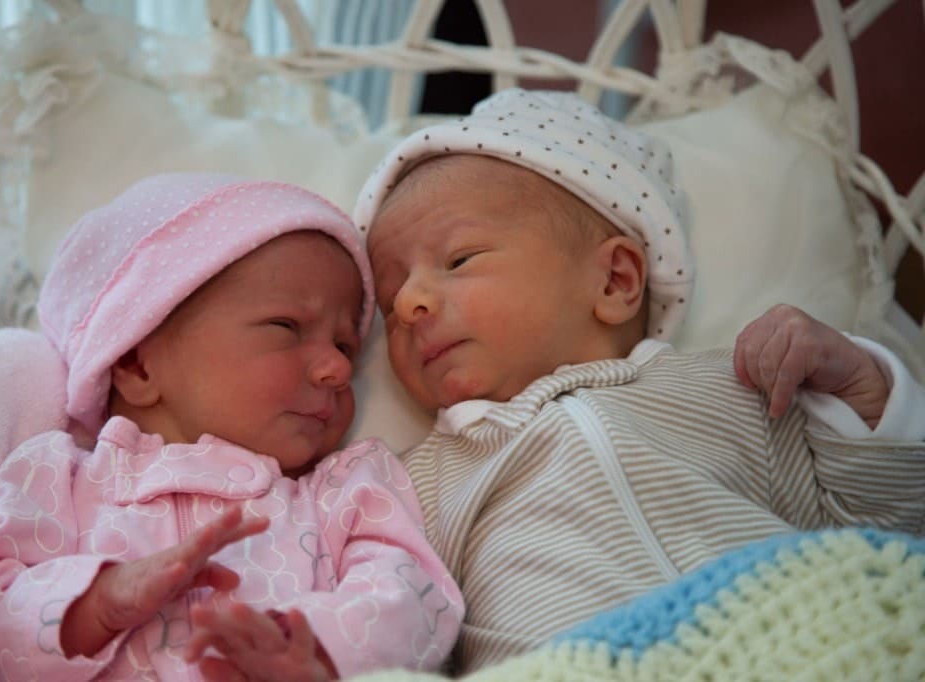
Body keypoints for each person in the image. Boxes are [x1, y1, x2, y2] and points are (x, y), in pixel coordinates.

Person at [347, 88, 925, 674]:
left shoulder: (738, 387)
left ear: (616, 281)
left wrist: (861, 386)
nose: (412, 302)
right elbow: (398, 625)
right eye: (391, 304)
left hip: (787, 637)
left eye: (459, 259)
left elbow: (883, 515)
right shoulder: (415, 483)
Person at [0, 174, 464, 681]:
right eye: (287, 327)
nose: (338, 368)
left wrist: (313, 650)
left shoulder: (342, 492)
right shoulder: (59, 478)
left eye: (346, 345)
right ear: (136, 366)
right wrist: (98, 604)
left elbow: (415, 599)